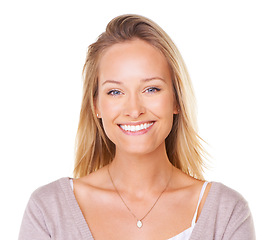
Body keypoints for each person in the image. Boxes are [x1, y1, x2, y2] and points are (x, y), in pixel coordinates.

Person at [18, 14, 255, 240]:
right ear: (96, 106)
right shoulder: (48, 210)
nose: (134, 109)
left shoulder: (226, 213)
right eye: (115, 92)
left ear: (176, 99)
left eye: (151, 89)